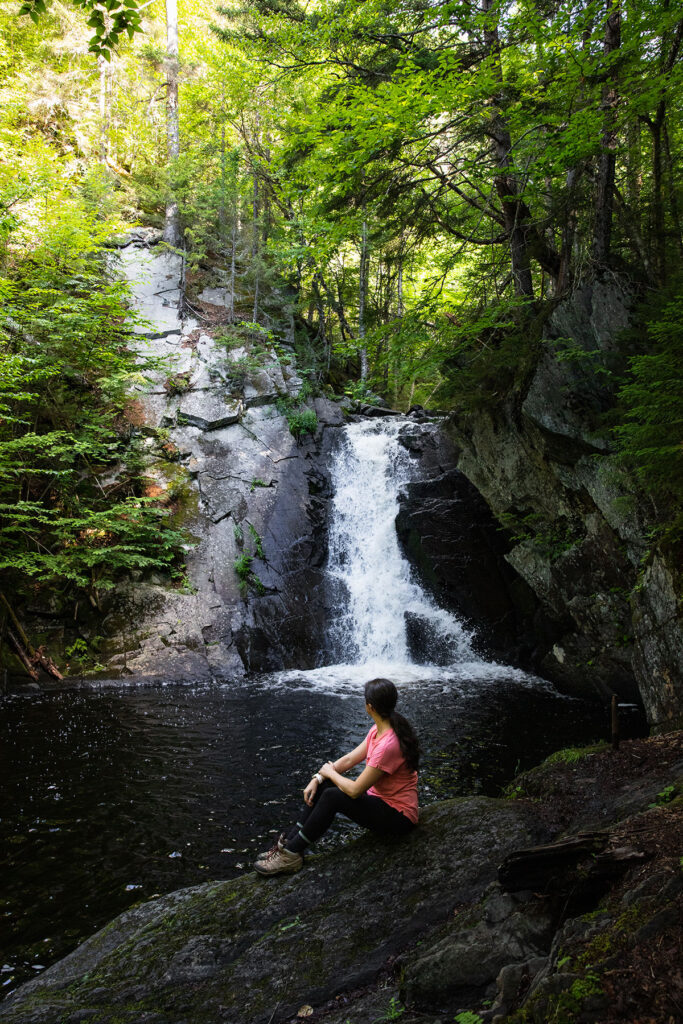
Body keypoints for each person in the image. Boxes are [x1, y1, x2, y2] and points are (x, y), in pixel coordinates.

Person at [253, 677, 419, 876]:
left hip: (398, 817)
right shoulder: (379, 729)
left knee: (333, 796)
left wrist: (329, 772)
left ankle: (290, 854)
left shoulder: (388, 745)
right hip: (381, 803)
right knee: (326, 785)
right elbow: (349, 760)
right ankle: (289, 842)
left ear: (369, 707)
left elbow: (356, 791)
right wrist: (318, 778)